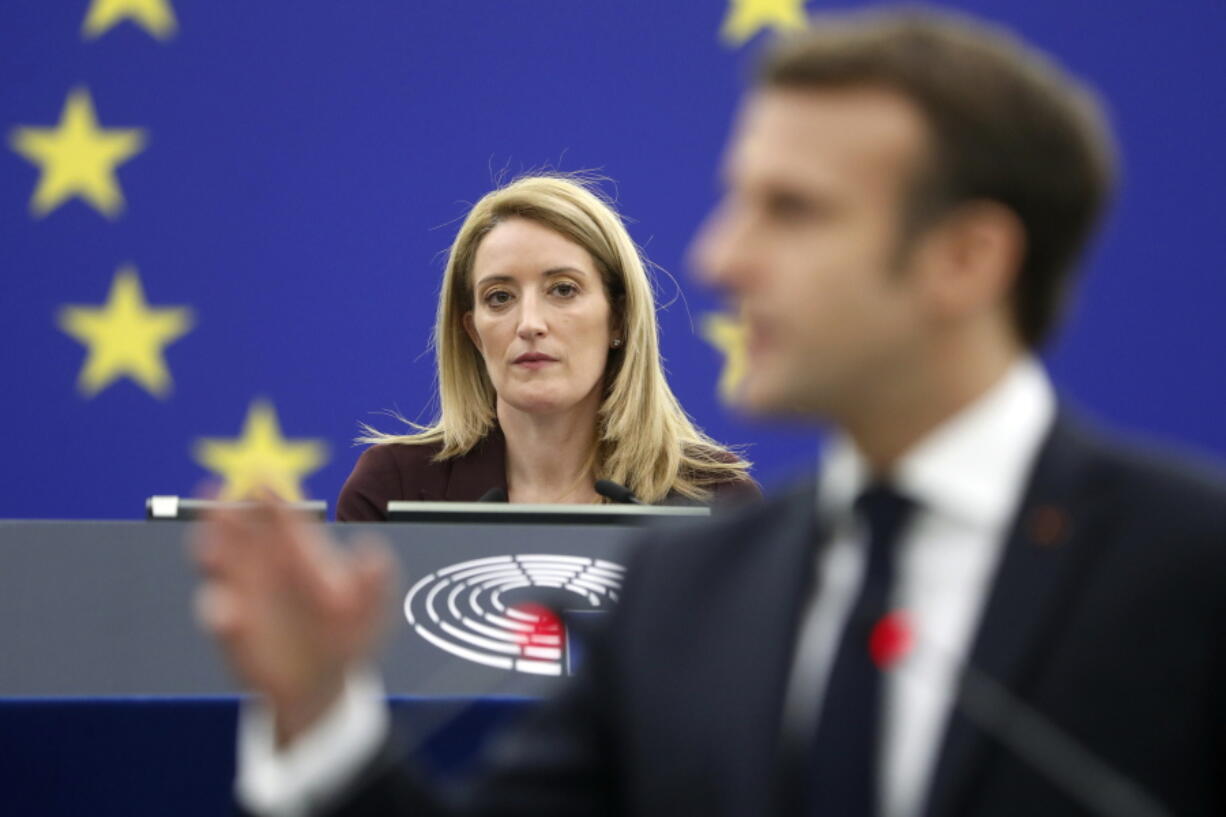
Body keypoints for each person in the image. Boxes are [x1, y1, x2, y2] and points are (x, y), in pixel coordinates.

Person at [192, 8, 1226, 817]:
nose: (718, 260)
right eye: (737, 202)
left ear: (965, 259)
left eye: (792, 210)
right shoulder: (685, 591)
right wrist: (320, 716)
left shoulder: (1189, 566)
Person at [335, 174, 759, 519]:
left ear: (620, 319)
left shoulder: (716, 503)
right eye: (500, 297)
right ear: (473, 332)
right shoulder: (396, 491)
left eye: (562, 289)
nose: (530, 324)